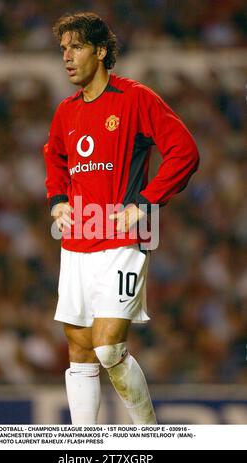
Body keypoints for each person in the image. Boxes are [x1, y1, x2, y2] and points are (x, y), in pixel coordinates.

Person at [43, 12, 199, 424]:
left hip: (123, 241)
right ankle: (85, 444)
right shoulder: (66, 112)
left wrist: (146, 202)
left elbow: (184, 152)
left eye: (76, 47)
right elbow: (55, 156)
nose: (67, 58)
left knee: (109, 347)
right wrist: (58, 198)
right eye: (63, 50)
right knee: (79, 348)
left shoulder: (135, 99)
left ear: (100, 50)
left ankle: (148, 434)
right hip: (77, 242)